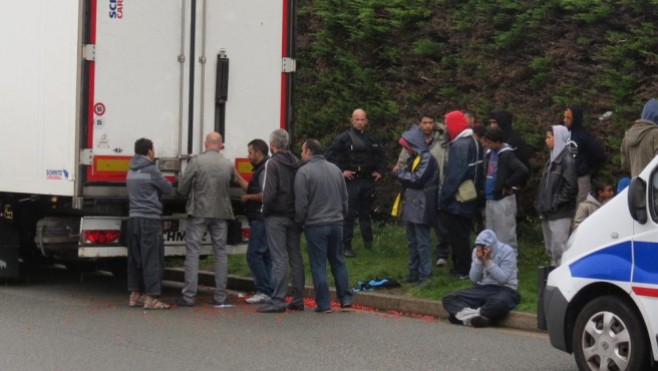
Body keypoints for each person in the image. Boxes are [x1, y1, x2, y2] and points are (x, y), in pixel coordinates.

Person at [294, 139, 352, 313]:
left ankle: (324, 304)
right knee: (338, 261)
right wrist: (342, 215)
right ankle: (346, 299)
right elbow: (345, 197)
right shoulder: (335, 170)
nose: (301, 154)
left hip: (316, 224)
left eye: (303, 151)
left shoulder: (304, 172)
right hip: (336, 222)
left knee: (318, 265)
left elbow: (301, 202)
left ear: (309, 152)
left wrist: (300, 220)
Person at [177, 132, 235, 307]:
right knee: (220, 254)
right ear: (221, 145)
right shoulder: (228, 164)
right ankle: (220, 296)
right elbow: (230, 183)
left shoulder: (197, 161)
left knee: (193, 252)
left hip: (199, 211)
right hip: (221, 213)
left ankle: (188, 296)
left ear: (205, 144)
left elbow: (182, 188)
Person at [326, 108, 387, 257]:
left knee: (366, 213)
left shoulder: (372, 139)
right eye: (357, 119)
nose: (360, 122)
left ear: (366, 121)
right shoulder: (343, 138)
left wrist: (380, 171)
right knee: (349, 214)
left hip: (367, 180)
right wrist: (341, 172)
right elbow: (329, 156)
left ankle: (369, 244)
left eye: (362, 119)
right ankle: (346, 246)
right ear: (352, 121)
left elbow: (382, 157)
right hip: (351, 181)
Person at [258, 129, 306, 313]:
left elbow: (269, 193)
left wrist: (265, 211)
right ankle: (298, 298)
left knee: (278, 257)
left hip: (276, 215)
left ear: (272, 144)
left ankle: (278, 299)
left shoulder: (272, 163)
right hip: (294, 215)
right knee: (296, 256)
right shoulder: (296, 162)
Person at [393, 114, 450, 267]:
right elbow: (401, 164)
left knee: (439, 225)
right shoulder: (412, 146)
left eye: (431, 123)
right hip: (416, 196)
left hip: (436, 188)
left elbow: (445, 165)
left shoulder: (441, 142)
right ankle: (416, 268)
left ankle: (441, 254)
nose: (427, 126)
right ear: (419, 124)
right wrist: (400, 172)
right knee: (415, 236)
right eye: (424, 123)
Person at [126, 138, 173, 310]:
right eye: (153, 149)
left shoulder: (131, 170)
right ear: (149, 152)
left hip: (133, 219)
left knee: (135, 259)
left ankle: (134, 294)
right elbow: (167, 188)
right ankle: (151, 297)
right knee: (152, 259)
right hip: (150, 220)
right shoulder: (151, 170)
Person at [442, 229, 520, 328]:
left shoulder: (507, 251)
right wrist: (478, 261)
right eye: (479, 246)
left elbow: (502, 279)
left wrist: (488, 261)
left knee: (499, 303)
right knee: (449, 298)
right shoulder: (476, 251)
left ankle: (464, 317)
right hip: (482, 288)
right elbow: (474, 278)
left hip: (505, 289)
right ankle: (478, 318)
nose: (481, 250)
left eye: (484, 247)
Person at [439, 110, 483, 279]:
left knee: (458, 236)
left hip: (458, 200)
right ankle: (461, 266)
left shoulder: (460, 145)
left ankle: (462, 269)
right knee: (464, 233)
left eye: (448, 124)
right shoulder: (474, 141)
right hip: (471, 195)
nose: (446, 128)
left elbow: (454, 175)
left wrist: (444, 198)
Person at [393, 125, 439, 285]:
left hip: (422, 204)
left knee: (422, 242)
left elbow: (417, 180)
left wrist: (399, 173)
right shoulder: (415, 157)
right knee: (412, 241)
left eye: (407, 146)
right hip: (412, 204)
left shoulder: (427, 158)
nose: (406, 149)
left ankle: (425, 275)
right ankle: (414, 272)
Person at [234, 139, 273, 305]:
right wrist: (236, 176)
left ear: (258, 152)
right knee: (265, 256)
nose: (248, 156)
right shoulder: (261, 168)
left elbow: (265, 194)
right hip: (262, 218)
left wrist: (247, 198)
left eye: (250, 152)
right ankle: (270, 289)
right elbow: (251, 187)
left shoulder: (264, 169)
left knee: (254, 255)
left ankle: (264, 290)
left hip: (260, 217)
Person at [481, 127, 529, 252]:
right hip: (490, 197)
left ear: (498, 142)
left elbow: (522, 170)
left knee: (505, 235)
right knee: (490, 234)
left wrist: (507, 184)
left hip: (503, 200)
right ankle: (493, 264)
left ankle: (510, 263)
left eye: (490, 142)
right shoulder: (488, 152)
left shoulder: (507, 154)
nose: (487, 145)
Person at [536, 125, 578, 266]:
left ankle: (562, 278)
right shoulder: (551, 160)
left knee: (560, 249)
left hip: (560, 212)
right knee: (551, 249)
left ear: (558, 137)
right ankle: (553, 276)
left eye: (549, 137)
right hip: (548, 211)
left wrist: (556, 202)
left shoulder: (567, 160)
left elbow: (571, 187)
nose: (546, 141)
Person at [563, 105, 606, 204]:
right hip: (567, 179)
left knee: (581, 207)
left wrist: (587, 167)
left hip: (581, 179)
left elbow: (599, 154)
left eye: (568, 117)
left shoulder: (583, 135)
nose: (565, 120)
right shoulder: (565, 134)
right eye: (564, 117)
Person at [621, 98, 658, 177]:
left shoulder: (628, 135)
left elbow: (624, 165)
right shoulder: (655, 133)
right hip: (653, 185)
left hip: (636, 185)